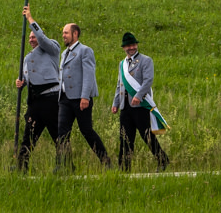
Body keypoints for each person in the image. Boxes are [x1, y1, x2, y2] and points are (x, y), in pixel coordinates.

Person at [51, 14, 110, 170]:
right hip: (65, 99)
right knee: (62, 133)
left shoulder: (85, 51)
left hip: (80, 98)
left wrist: (85, 96)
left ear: (75, 34)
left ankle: (106, 161)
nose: (63, 35)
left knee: (86, 131)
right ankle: (63, 166)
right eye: (63, 33)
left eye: (66, 33)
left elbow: (89, 75)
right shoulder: (64, 54)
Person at [110, 32, 169, 172]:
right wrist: (115, 103)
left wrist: (138, 95)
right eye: (128, 45)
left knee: (147, 135)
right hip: (125, 107)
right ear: (124, 47)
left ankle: (162, 160)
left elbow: (148, 81)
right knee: (125, 138)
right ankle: (124, 168)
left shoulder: (145, 60)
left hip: (140, 105)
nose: (131, 48)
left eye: (133, 45)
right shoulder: (122, 64)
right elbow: (119, 85)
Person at [14, 6, 63, 172]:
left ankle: (65, 165)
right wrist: (21, 82)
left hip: (51, 99)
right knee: (29, 135)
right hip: (35, 102)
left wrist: (30, 18)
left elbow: (42, 37)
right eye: (29, 38)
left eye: (33, 36)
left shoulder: (52, 48)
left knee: (58, 134)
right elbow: (27, 78)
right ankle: (21, 166)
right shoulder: (27, 58)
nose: (31, 39)